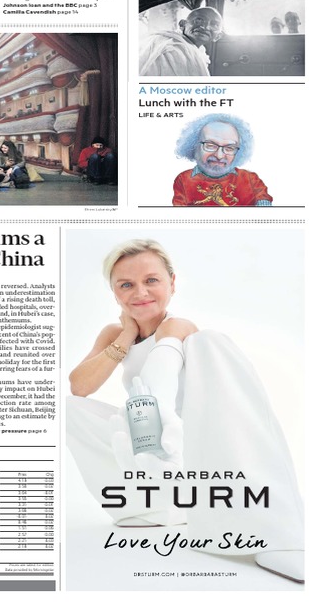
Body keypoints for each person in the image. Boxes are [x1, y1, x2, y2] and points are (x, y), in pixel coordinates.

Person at [66, 239, 304, 583]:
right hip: (149, 454)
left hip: (196, 447)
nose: (140, 292)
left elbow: (159, 380)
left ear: (172, 284)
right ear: (114, 292)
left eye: (151, 280)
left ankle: (277, 532)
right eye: (126, 284)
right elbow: (80, 387)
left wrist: (157, 425)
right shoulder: (115, 333)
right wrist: (127, 334)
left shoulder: (179, 327)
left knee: (211, 342)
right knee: (71, 409)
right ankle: (150, 509)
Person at [172, 115, 271, 206]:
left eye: (229, 148)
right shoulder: (183, 179)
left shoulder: (251, 179)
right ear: (194, 146)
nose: (219, 156)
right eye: (210, 145)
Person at [139, 6, 222, 77]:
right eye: (198, 20)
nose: (205, 27)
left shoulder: (200, 52)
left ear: (217, 36)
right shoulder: (166, 46)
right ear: (182, 25)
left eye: (214, 25)